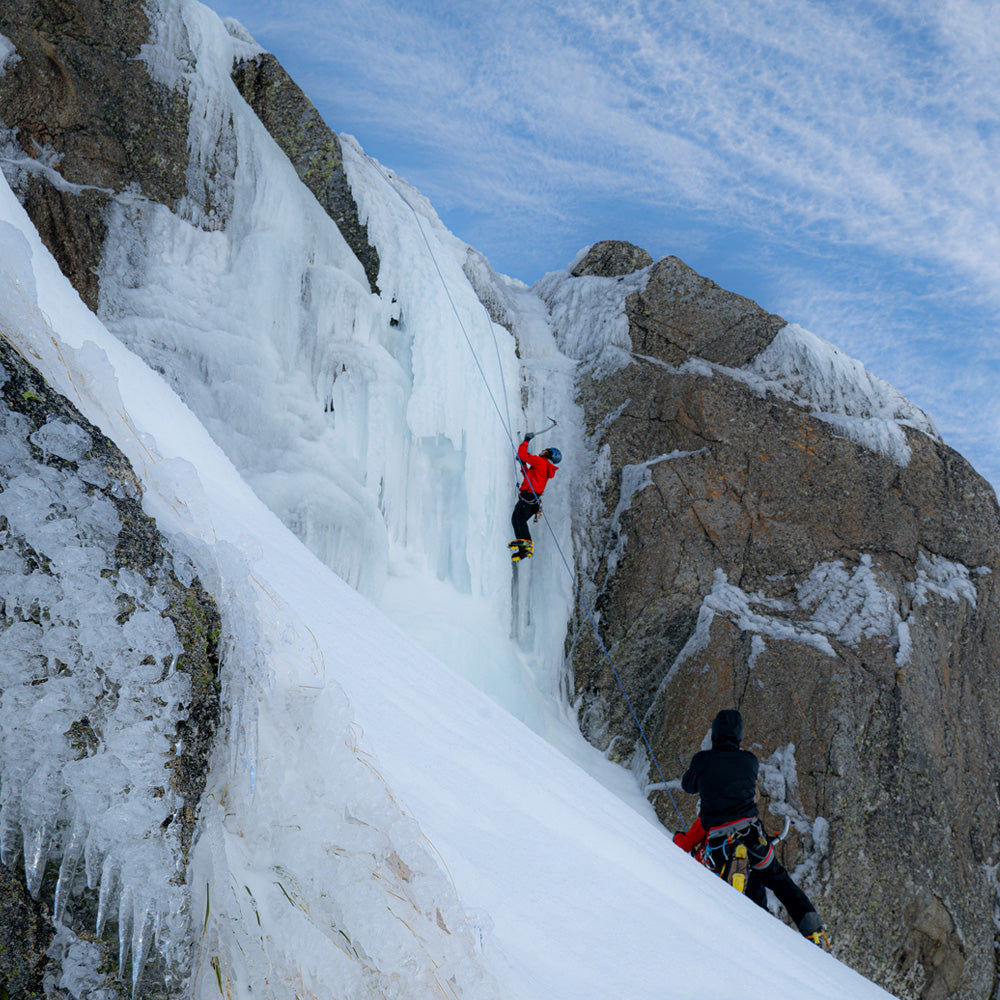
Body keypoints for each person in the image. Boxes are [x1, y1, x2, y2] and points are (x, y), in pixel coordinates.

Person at [681, 709, 828, 946]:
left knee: (721, 877)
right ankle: (813, 929)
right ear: (738, 735)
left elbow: (688, 785)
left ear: (715, 732)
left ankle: (750, 928)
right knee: (778, 879)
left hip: (719, 841)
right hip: (752, 835)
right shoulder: (749, 760)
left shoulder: (702, 761)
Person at [509, 433, 561, 562]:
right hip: (533, 501)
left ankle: (527, 544)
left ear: (547, 454)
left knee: (518, 519)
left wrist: (526, 441)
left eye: (546, 449)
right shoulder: (543, 467)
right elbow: (529, 476)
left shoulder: (540, 461)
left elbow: (523, 455)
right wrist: (522, 465)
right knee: (517, 519)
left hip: (529, 497)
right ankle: (524, 550)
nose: (543, 450)